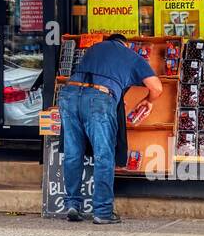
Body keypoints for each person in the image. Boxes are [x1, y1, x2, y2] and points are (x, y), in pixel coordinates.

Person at [57, 33, 163, 225]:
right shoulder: (132, 56)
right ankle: (103, 212)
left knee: (73, 154)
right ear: (126, 44)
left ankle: (72, 204)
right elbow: (156, 87)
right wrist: (148, 101)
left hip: (69, 94)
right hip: (99, 99)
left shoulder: (94, 49)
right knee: (103, 155)